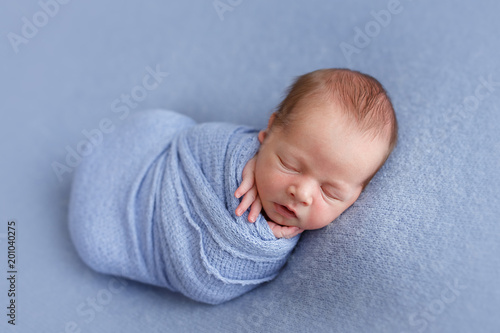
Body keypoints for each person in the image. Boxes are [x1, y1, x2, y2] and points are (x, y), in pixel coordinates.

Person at [234, 68, 398, 239]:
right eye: (289, 165)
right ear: (269, 134)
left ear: (355, 198)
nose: (302, 194)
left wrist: (262, 239)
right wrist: (245, 158)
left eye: (330, 192)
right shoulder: (234, 153)